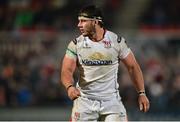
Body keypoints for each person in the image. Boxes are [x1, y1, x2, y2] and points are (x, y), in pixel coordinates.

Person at [61, 5, 150, 121]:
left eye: (83, 21)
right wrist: (69, 87)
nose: (79, 25)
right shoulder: (76, 44)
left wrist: (141, 93)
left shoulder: (117, 42)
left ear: (95, 22)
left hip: (111, 101)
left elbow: (133, 67)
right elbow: (66, 70)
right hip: (85, 101)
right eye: (79, 21)